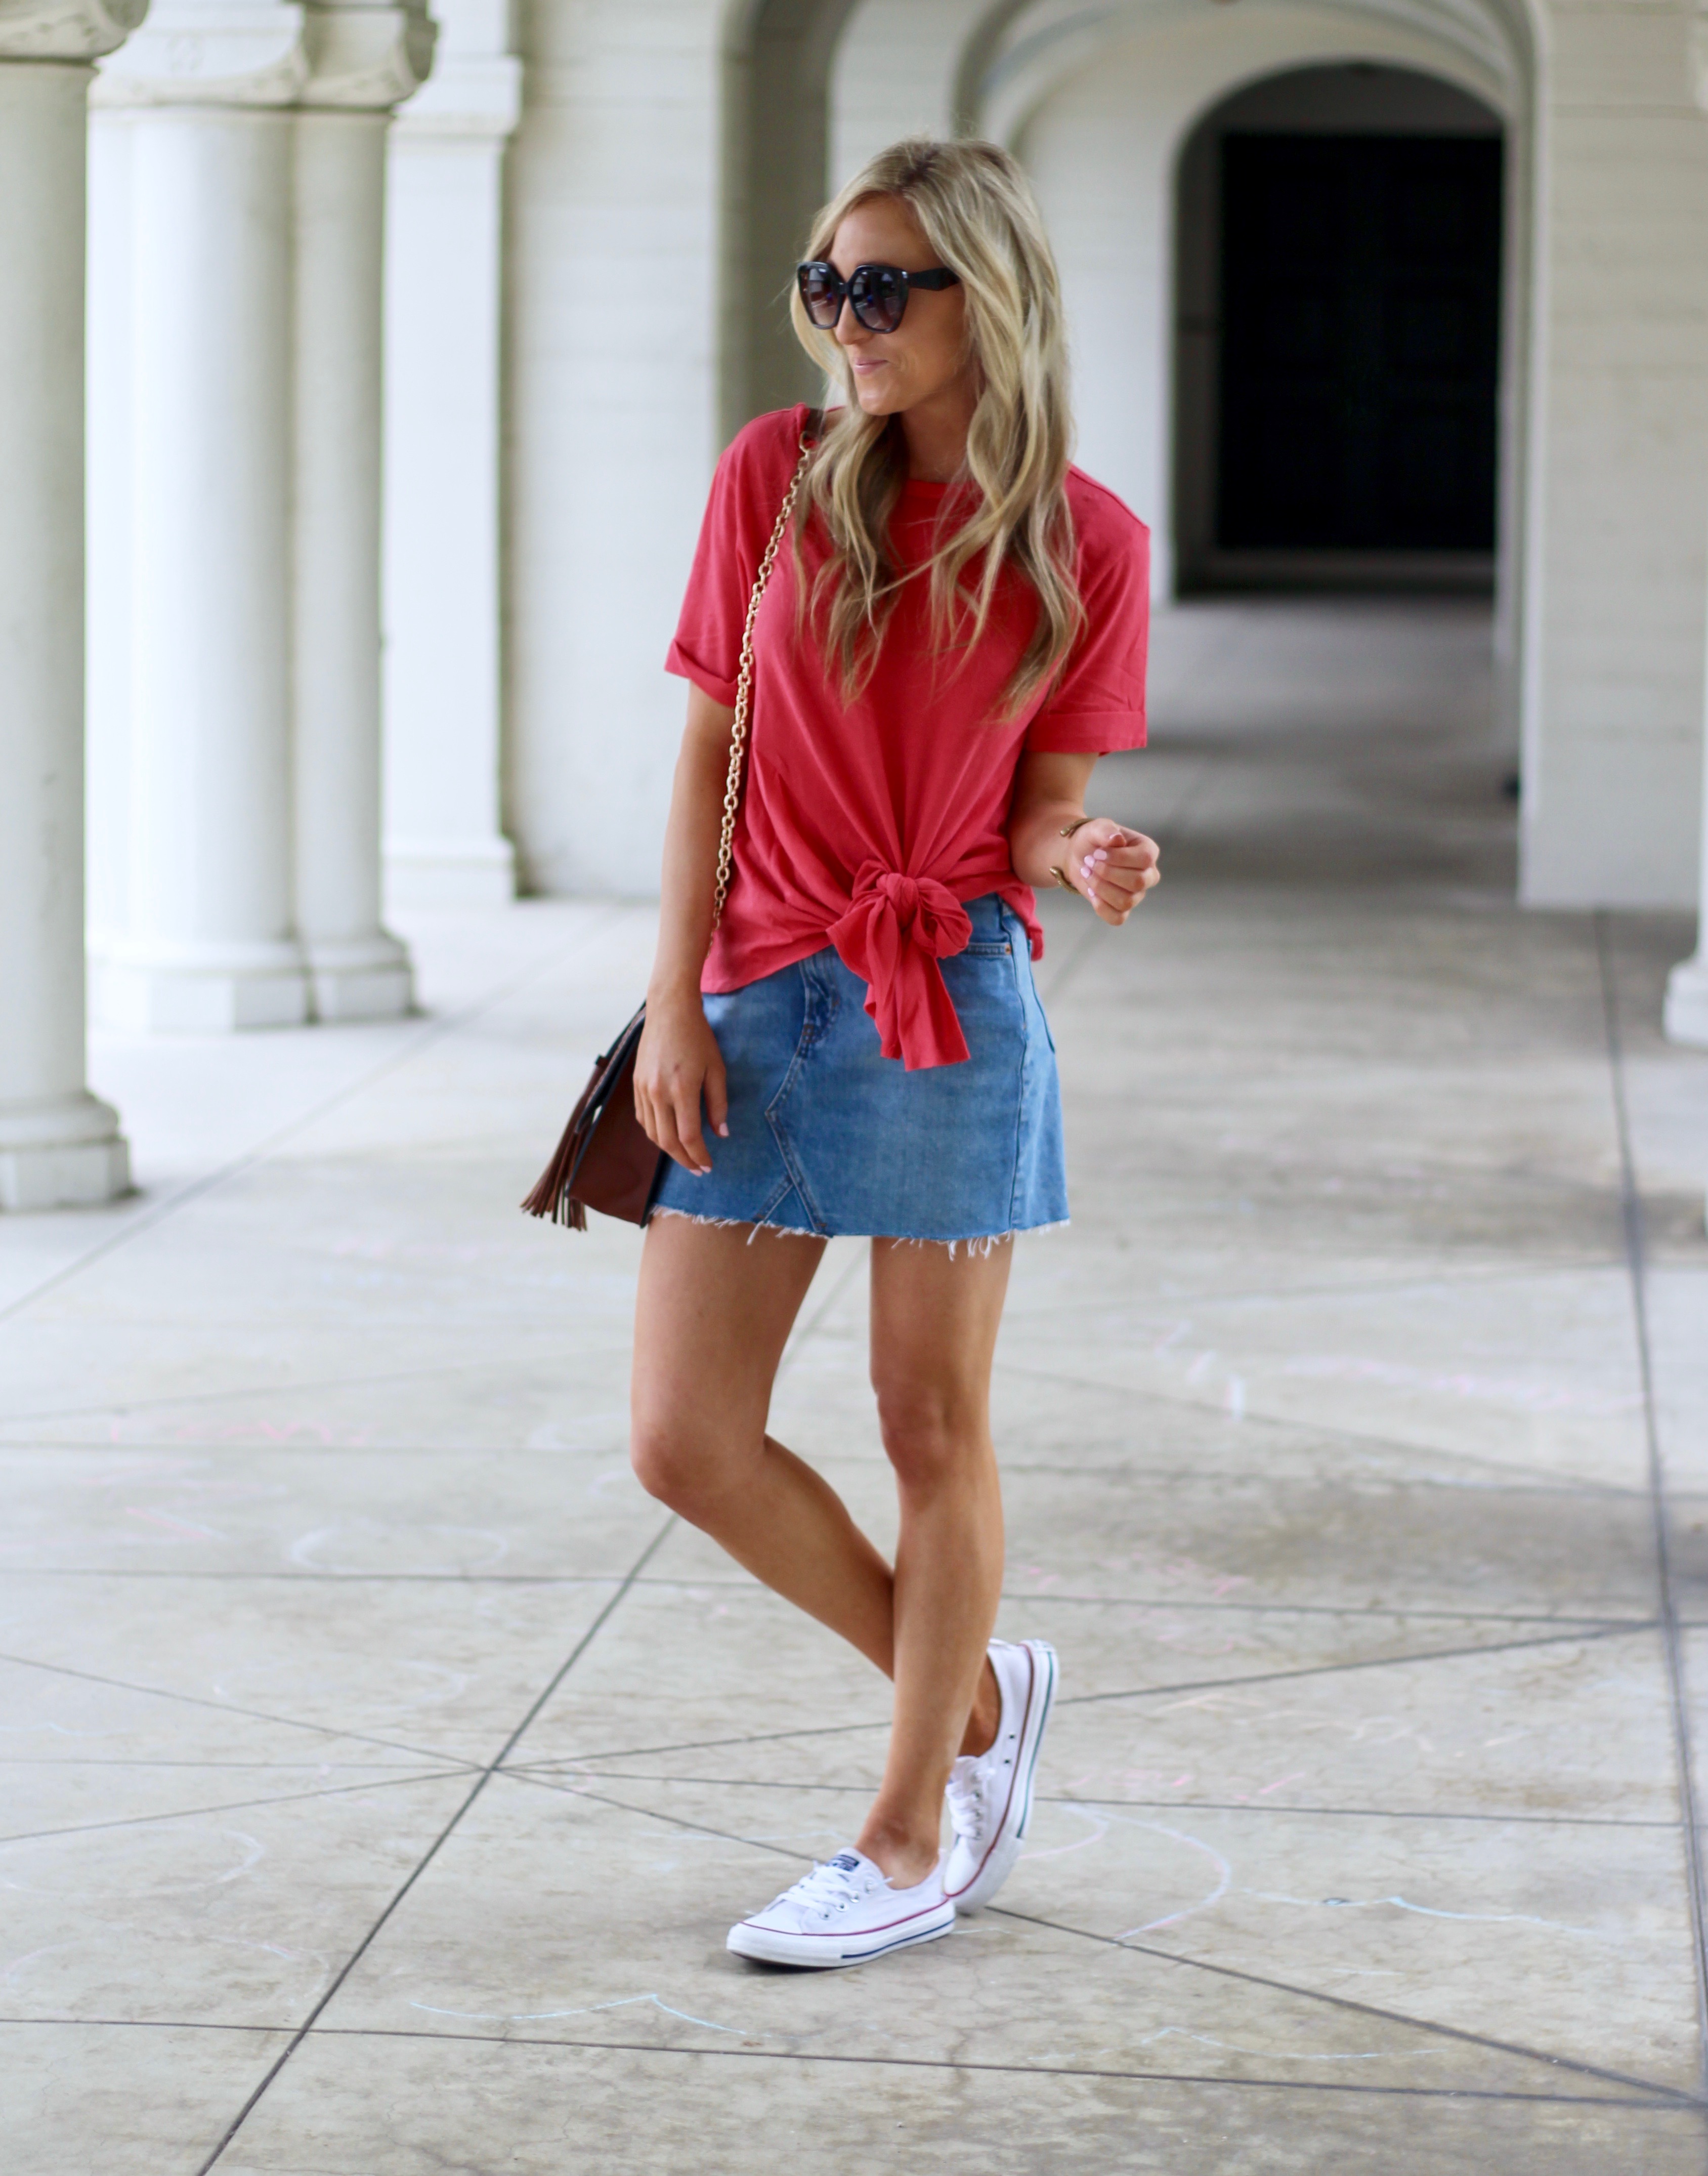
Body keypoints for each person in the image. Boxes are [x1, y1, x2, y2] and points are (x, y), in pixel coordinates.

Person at [628, 137, 1159, 1970]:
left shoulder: (1086, 539)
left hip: (950, 1002)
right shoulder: (775, 482)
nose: (844, 323)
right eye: (825, 287)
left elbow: (1042, 811)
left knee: (930, 1424)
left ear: (984, 301)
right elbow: (707, 753)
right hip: (766, 992)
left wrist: (1079, 854)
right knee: (686, 1441)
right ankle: (978, 1706)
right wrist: (678, 995)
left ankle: (909, 1826)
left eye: (883, 290)